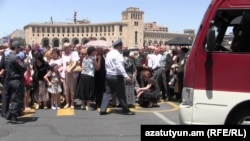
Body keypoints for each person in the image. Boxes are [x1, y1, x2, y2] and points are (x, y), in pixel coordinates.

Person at [99, 38, 135, 115]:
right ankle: (125, 110)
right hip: (116, 76)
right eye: (121, 46)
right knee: (121, 93)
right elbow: (120, 66)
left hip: (109, 75)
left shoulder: (109, 54)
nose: (122, 48)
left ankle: (103, 109)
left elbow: (107, 65)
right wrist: (126, 76)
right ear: (119, 46)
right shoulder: (118, 55)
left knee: (107, 92)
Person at [0, 40, 28, 123]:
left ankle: (8, 113)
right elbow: (23, 67)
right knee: (17, 98)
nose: (19, 49)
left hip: (8, 80)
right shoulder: (16, 57)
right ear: (16, 47)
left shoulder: (7, 56)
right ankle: (13, 115)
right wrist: (26, 63)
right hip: (16, 79)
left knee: (10, 97)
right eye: (19, 47)